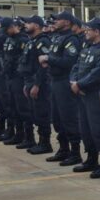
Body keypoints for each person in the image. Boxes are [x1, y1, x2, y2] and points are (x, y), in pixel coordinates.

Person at [70, 19, 100, 178]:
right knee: (85, 128)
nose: (85, 31)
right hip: (82, 94)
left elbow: (98, 72)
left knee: (99, 128)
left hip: (95, 93)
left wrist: (80, 84)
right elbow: (76, 66)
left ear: (97, 31)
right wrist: (73, 81)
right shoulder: (86, 47)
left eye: (89, 29)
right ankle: (91, 158)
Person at [42, 12, 84, 164]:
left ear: (66, 22)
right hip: (55, 80)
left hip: (64, 82)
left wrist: (49, 59)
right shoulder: (57, 37)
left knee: (69, 117)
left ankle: (75, 152)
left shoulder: (71, 39)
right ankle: (63, 149)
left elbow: (69, 61)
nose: (55, 22)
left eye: (58, 20)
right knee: (57, 118)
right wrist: (51, 61)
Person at [18, 15, 53, 153]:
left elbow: (43, 66)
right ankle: (35, 140)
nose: (26, 25)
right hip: (29, 81)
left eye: (29, 23)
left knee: (42, 114)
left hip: (40, 83)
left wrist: (37, 85)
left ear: (37, 26)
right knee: (33, 113)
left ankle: (45, 144)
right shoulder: (31, 41)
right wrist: (27, 84)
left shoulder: (43, 41)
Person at [0, 18, 24, 144]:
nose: (5, 32)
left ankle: (24, 135)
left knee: (21, 108)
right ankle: (13, 131)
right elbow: (4, 55)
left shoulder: (23, 40)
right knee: (11, 106)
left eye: (6, 29)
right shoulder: (8, 39)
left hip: (18, 78)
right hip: (9, 76)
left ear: (13, 27)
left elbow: (23, 60)